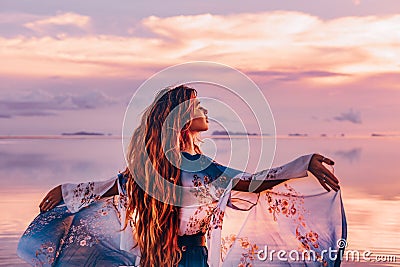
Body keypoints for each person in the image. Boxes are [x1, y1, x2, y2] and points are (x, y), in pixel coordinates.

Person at [17, 85, 346, 266]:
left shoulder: (180, 167)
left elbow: (252, 180)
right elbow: (110, 188)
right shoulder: (158, 170)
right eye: (198, 105)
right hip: (183, 260)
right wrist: (68, 191)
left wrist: (304, 163)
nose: (205, 110)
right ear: (182, 118)